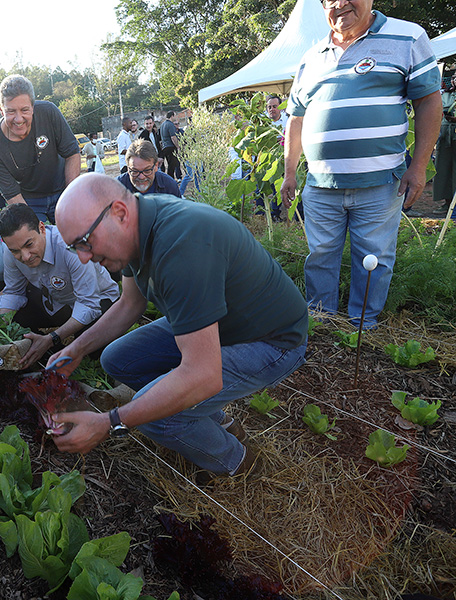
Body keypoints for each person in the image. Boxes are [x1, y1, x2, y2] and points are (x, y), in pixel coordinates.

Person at [47, 175, 308, 477]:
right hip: (219, 324)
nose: (83, 258)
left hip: (272, 341)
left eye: (84, 242)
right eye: (73, 247)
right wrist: (76, 348)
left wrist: (110, 422)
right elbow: (130, 304)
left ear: (119, 212)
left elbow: (203, 375)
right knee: (116, 359)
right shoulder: (135, 228)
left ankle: (240, 464)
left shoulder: (182, 247)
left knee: (155, 417)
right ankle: (218, 421)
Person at [280, 0, 442, 328]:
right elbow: (296, 118)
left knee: (374, 259)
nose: (340, 3)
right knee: (320, 257)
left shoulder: (407, 38)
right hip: (321, 187)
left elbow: (428, 100)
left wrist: (419, 166)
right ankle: (322, 323)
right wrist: (289, 173)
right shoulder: (311, 57)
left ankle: (361, 327)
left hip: (380, 185)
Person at [0, 203, 119, 369]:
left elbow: (89, 304)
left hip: (98, 300)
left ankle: (50, 349)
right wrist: (0, 324)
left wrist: (52, 337)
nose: (25, 257)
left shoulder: (71, 247)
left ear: (42, 228)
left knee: (97, 349)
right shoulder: (11, 251)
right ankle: (39, 354)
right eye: (15, 250)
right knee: (15, 319)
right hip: (57, 301)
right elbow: (14, 292)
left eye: (29, 245)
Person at [0, 75, 80, 223]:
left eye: (24, 110)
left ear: (33, 107)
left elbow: (72, 153)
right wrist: (32, 225)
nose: (18, 119)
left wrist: (71, 196)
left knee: (75, 233)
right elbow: (11, 193)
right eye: (10, 111)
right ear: (1, 111)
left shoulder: (49, 112)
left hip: (62, 188)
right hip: (29, 199)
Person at [433, 74, 456, 215]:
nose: (455, 79)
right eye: (454, 77)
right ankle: (447, 203)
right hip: (445, 135)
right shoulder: (446, 94)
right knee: (444, 169)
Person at [160, 111, 182, 180]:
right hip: (171, 147)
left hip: (164, 147)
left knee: (169, 165)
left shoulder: (162, 124)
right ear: (172, 116)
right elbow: (173, 137)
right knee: (172, 166)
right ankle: (170, 181)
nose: (176, 117)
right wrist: (178, 146)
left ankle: (170, 180)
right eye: (175, 115)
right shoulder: (170, 124)